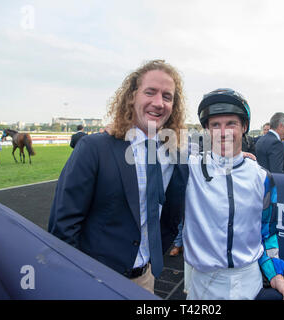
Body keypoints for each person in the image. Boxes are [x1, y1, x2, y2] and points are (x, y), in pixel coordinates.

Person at [48, 60, 188, 294]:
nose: (158, 102)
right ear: (132, 96)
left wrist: (239, 155)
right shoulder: (94, 148)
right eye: (150, 92)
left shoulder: (172, 155)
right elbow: (63, 226)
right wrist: (75, 281)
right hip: (95, 282)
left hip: (146, 279)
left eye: (167, 96)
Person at [183, 89, 284, 300]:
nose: (223, 132)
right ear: (207, 129)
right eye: (215, 125)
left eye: (231, 123)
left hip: (249, 282)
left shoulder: (263, 177)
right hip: (203, 284)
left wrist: (275, 274)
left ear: (244, 127)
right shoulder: (190, 168)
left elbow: (268, 233)